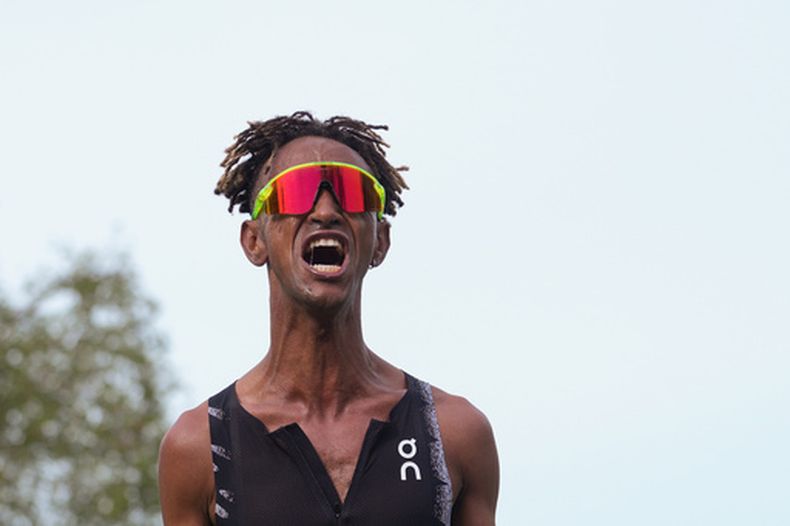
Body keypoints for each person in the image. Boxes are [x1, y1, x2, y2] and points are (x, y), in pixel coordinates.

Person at [158, 112, 499, 525]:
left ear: (380, 242)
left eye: (353, 193)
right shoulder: (200, 447)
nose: (325, 211)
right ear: (254, 241)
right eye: (295, 191)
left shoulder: (454, 434)